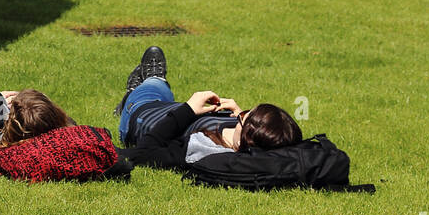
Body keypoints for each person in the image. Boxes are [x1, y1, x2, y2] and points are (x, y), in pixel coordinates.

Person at [115, 46, 302, 168]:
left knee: (155, 85)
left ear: (246, 135)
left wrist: (188, 109)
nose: (240, 114)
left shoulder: (201, 147)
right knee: (162, 95)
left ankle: (139, 88)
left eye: (245, 115)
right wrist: (236, 114)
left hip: (141, 115)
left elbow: (144, 152)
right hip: (169, 108)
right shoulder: (244, 140)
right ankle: (135, 91)